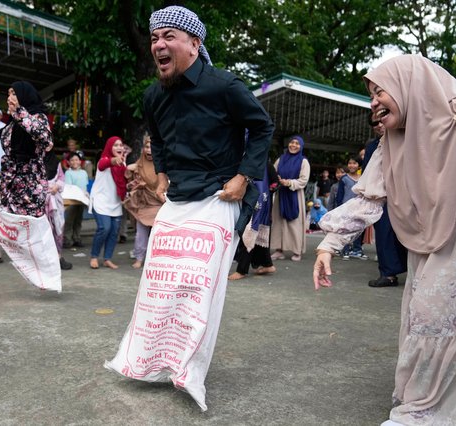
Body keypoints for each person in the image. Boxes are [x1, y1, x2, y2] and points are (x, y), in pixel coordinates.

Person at [106, 6, 273, 409]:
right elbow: (158, 138)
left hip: (221, 196)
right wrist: (161, 174)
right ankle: (143, 360)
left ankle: (189, 372)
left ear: (194, 45)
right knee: (158, 281)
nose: (158, 45)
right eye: (154, 39)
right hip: (178, 198)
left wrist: (244, 176)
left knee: (199, 287)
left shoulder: (225, 86)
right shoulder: (152, 95)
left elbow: (262, 126)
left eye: (169, 37)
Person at [313, 54, 456, 425]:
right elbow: (367, 198)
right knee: (427, 318)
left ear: (411, 86)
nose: (373, 102)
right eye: (371, 95)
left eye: (380, 91)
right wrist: (328, 245)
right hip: (433, 247)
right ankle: (431, 406)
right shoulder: (391, 142)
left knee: (442, 317)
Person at [0, 81, 52, 218]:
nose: (9, 98)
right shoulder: (11, 122)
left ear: (24, 96)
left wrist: (20, 113)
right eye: (8, 94)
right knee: (10, 232)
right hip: (10, 183)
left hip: (30, 184)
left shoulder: (38, 117)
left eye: (14, 94)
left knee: (28, 232)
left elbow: (45, 139)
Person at [363, 116, 407, 287]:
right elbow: (368, 174)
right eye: (374, 122)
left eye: (382, 120)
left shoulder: (407, 139)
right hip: (383, 196)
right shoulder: (372, 147)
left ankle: (418, 272)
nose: (379, 125)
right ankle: (388, 273)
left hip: (409, 196)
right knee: (384, 233)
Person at [229, 163, 278, 280]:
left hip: (257, 202)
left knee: (249, 232)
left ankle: (241, 270)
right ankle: (267, 264)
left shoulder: (265, 164)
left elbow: (275, 182)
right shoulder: (243, 159)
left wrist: (266, 192)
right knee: (256, 234)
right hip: (246, 199)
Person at [123, 134, 164, 269]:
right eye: (147, 147)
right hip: (143, 203)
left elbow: (164, 184)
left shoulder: (163, 166)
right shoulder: (137, 166)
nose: (149, 150)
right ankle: (139, 258)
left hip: (159, 203)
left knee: (158, 235)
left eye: (152, 147)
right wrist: (135, 184)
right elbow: (129, 181)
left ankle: (156, 260)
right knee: (141, 234)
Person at [88, 136, 126, 270]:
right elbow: (105, 164)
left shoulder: (123, 164)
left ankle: (107, 259)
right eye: (115, 145)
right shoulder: (103, 160)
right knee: (105, 228)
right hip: (100, 201)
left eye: (121, 145)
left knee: (114, 231)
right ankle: (94, 256)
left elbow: (123, 182)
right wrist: (114, 160)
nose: (119, 147)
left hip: (115, 202)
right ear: (109, 147)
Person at [270, 136, 310, 262]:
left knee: (295, 224)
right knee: (278, 222)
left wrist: (289, 183)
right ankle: (278, 250)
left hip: (295, 195)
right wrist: (277, 181)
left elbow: (303, 180)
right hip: (281, 194)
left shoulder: (303, 161)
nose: (294, 145)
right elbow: (273, 173)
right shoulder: (281, 159)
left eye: (297, 143)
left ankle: (297, 251)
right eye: (292, 142)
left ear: (301, 146)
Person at [43, 145, 72, 270]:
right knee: (44, 230)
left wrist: (56, 186)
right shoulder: (34, 162)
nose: (47, 146)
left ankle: (58, 257)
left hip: (55, 200)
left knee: (58, 228)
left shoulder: (56, 163)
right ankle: (45, 261)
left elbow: (61, 178)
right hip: (41, 201)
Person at [335, 157, 367, 260]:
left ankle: (357, 250)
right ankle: (345, 249)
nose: (351, 165)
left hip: (359, 208)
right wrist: (339, 208)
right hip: (346, 208)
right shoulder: (344, 178)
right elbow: (340, 195)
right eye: (350, 163)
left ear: (359, 165)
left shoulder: (363, 178)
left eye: (354, 163)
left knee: (358, 229)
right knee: (346, 230)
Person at [63, 151, 89, 248]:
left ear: (80, 161)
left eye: (76, 160)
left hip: (82, 199)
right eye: (72, 160)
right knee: (69, 220)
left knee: (78, 220)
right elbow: (69, 187)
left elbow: (85, 186)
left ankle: (77, 238)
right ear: (69, 162)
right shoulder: (68, 173)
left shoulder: (84, 172)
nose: (75, 162)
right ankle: (67, 240)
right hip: (72, 199)